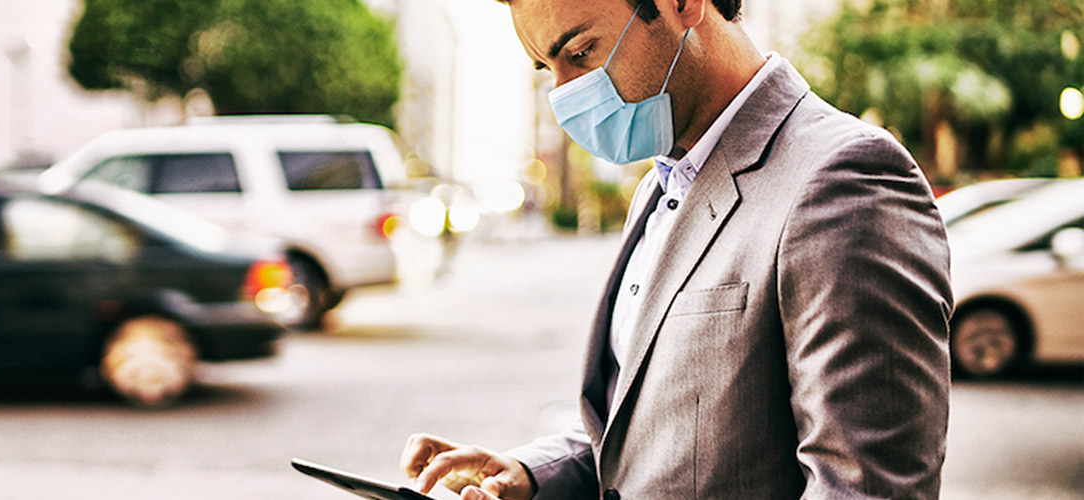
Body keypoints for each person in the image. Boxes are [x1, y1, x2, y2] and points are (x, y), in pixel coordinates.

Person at [399, 0, 953, 498]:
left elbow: (867, 488)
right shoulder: (661, 185)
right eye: (549, 69)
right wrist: (528, 473)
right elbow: (647, 419)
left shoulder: (844, 177)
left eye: (581, 52)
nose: (564, 94)